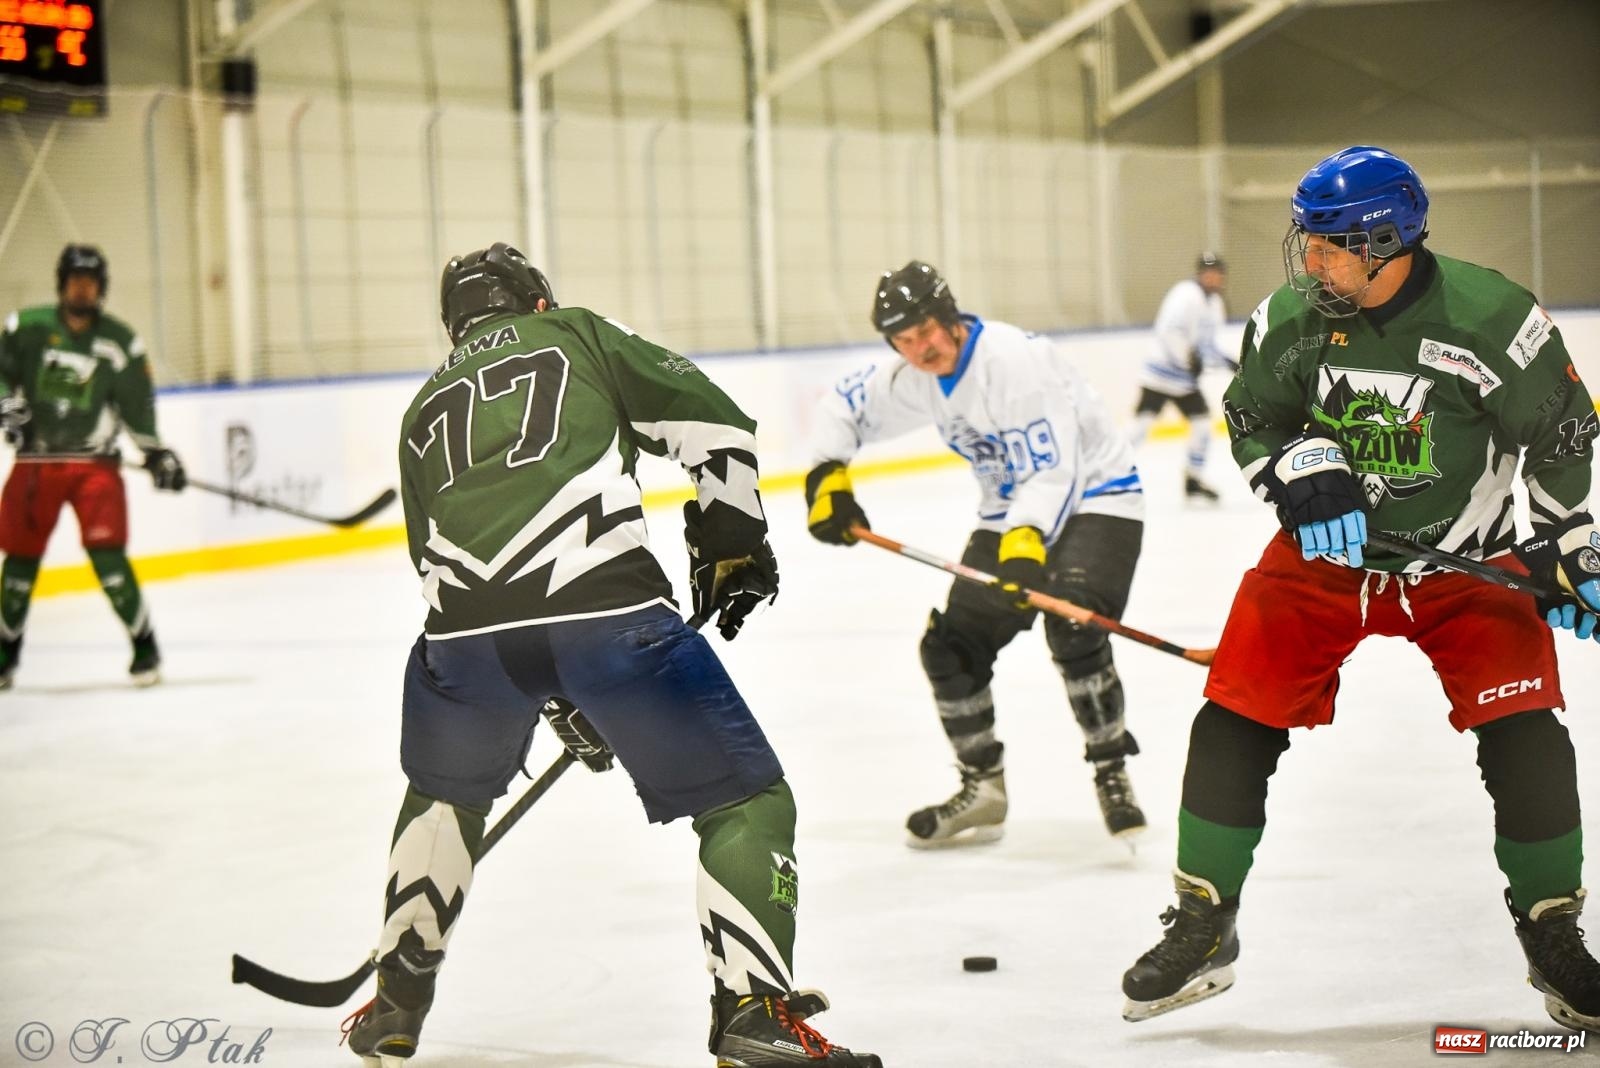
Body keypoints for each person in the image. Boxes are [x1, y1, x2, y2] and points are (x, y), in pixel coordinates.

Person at [341, 243, 882, 1067]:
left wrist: (555, 691)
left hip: (461, 646)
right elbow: (713, 424)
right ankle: (753, 1010)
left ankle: (395, 998)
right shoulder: (575, 332)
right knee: (747, 801)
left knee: (444, 798)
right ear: (537, 300)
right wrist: (733, 539)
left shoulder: (422, 406)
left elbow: (434, 562)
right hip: (604, 614)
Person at [1120, 146, 1600, 1034]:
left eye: (1332, 246)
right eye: (1306, 241)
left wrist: (1568, 543)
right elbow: (1252, 418)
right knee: (1233, 715)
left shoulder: (1494, 318)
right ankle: (1203, 918)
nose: (1312, 262)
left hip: (1465, 561)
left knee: (1528, 733)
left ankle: (1552, 931)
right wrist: (1297, 469)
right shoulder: (1291, 318)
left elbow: (1564, 432)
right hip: (1325, 560)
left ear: (1387, 242)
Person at [804, 260, 1147, 850]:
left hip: (1098, 497)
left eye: (925, 332)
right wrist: (827, 476)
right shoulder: (919, 377)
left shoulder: (1012, 362)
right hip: (1011, 513)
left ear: (950, 318)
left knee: (1072, 624)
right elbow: (844, 403)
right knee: (950, 647)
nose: (919, 349)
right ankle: (984, 788)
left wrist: (1025, 540)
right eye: (903, 341)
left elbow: (1055, 469)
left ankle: (1111, 766)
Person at [0, 244, 186, 689]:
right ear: (62, 283)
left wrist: (156, 452)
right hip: (35, 465)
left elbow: (137, 408)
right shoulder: (26, 328)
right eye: (75, 280)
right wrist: (5, 404)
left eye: (90, 282)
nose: (82, 289)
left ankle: (145, 646)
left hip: (93, 468)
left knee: (109, 559)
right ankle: (5, 653)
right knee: (19, 561)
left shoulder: (120, 343)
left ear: (101, 288)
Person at [1128, 252, 1234, 503]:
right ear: (1200, 274)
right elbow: (1169, 331)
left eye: (1216, 273)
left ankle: (1193, 479)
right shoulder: (1185, 294)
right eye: (1208, 272)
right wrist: (1187, 359)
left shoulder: (1214, 304)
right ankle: (1109, 470)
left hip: (1184, 382)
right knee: (1141, 427)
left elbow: (1206, 345)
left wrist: (1228, 363)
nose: (1212, 277)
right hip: (1160, 376)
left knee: (1202, 425)